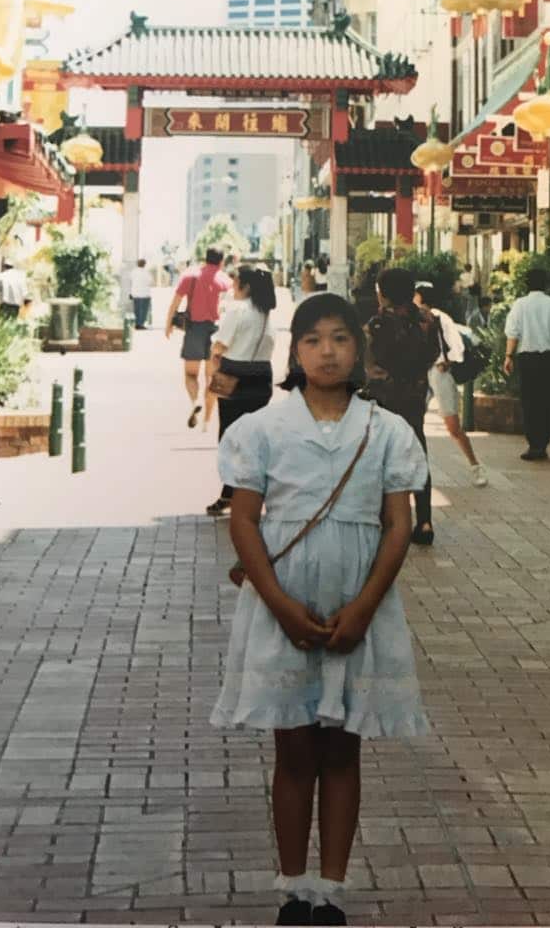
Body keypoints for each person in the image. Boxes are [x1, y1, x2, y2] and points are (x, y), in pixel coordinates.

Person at [211, 293, 428, 927]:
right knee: (294, 751)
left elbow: (398, 524)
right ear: (294, 350)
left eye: (339, 338)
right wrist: (278, 604)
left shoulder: (385, 430)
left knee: (342, 750)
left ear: (359, 348)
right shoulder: (263, 429)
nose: (326, 351)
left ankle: (330, 891)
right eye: (312, 340)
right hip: (285, 602)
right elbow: (246, 521)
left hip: (360, 606)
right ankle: (293, 889)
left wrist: (364, 608)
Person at [364, 267, 440, 546]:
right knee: (417, 452)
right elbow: (434, 353)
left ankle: (389, 520)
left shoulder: (378, 324)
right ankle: (425, 520)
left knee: (383, 456)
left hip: (385, 397)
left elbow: (371, 362)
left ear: (384, 293)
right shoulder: (428, 320)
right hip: (415, 394)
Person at [206, 266, 277, 516]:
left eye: (235, 282)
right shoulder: (267, 315)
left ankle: (229, 493)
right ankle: (253, 493)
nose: (232, 287)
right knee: (254, 438)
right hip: (262, 379)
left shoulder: (238, 311)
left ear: (245, 286)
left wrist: (214, 360)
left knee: (230, 437)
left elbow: (219, 345)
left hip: (235, 378)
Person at [414, 283, 487, 487]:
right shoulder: (410, 317)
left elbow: (456, 345)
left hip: (438, 372)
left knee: (452, 425)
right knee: (412, 422)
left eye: (415, 295)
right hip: (421, 373)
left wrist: (449, 361)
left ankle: (475, 466)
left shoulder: (438, 317)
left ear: (420, 296)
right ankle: (416, 471)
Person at [504, 268, 550, 461]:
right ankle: (543, 443)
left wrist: (508, 356)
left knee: (529, 401)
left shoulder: (520, 305)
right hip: (549, 359)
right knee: (547, 401)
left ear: (526, 284)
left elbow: (512, 332)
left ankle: (534, 444)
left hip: (528, 359)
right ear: (545, 284)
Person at [165, 247, 232, 430]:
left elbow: (176, 302)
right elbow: (231, 308)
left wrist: (168, 324)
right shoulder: (225, 281)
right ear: (221, 262)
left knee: (190, 375)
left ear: (205, 258)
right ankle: (206, 423)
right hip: (216, 332)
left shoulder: (190, 277)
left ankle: (195, 402)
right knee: (212, 380)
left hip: (194, 329)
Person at [130, 258, 152, 330]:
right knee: (144, 310)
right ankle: (141, 324)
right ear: (144, 264)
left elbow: (131, 281)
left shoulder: (133, 272)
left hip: (135, 294)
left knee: (137, 309)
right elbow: (150, 281)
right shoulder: (146, 272)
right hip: (145, 294)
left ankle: (137, 323)